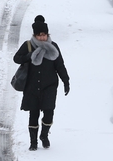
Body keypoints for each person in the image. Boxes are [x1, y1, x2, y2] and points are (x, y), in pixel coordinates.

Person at [13, 15, 70, 151]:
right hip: (32, 87)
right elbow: (16, 58)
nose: (42, 38)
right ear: (35, 35)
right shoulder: (28, 46)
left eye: (44, 35)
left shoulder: (53, 47)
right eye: (39, 35)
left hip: (49, 86)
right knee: (34, 114)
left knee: (49, 113)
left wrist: (66, 81)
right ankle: (33, 142)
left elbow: (60, 65)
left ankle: (44, 135)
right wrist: (29, 56)